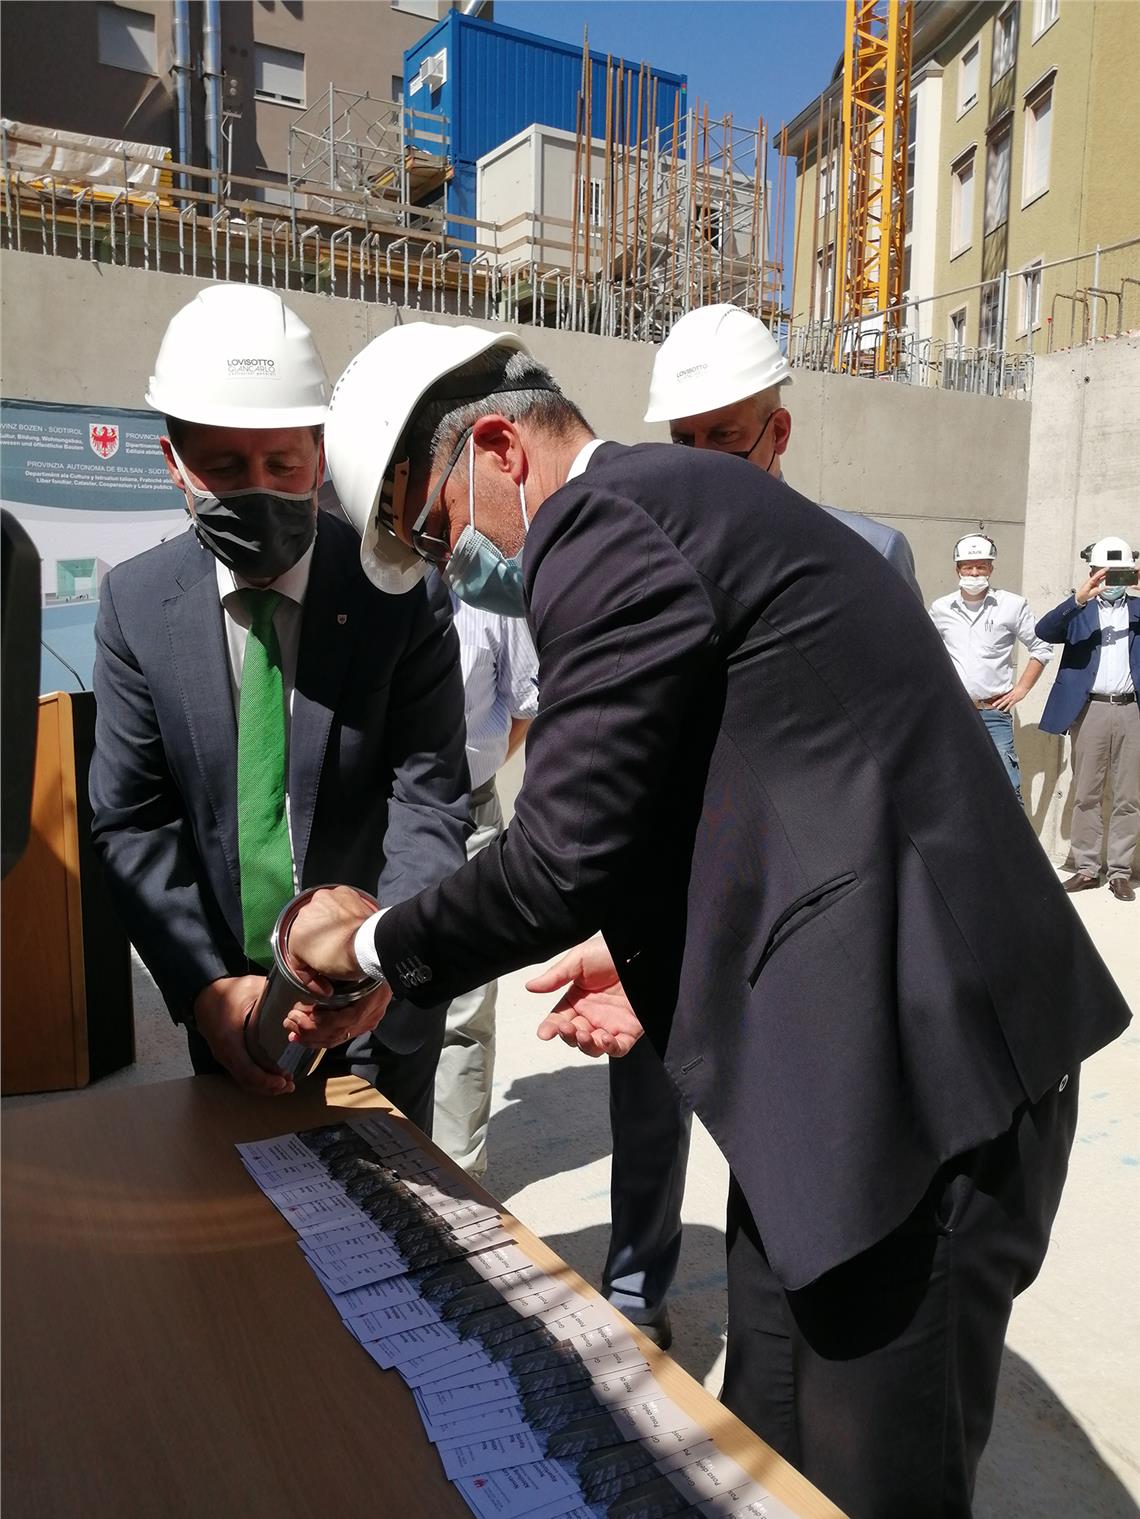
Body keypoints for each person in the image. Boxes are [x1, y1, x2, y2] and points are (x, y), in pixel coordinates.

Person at [283, 321, 1128, 1517]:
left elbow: (557, 855)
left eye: (435, 529)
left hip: (923, 1086)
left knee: (868, 1485)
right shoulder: (673, 510)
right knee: (767, 1457)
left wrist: (366, 944)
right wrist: (648, 956)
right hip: (835, 1092)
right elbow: (765, 786)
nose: (450, 563)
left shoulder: (601, 522)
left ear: (498, 447)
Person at [597, 305, 924, 1351]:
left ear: (778, 432)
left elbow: (899, 742)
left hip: (801, 894)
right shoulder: (635, 565)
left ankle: (788, 1313)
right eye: (682, 440)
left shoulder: (866, 553)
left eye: (724, 439)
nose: (700, 463)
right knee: (648, 1097)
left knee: (790, 1115)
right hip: (673, 881)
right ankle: (636, 1286)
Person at [88, 286, 471, 1129]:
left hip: (375, 1013)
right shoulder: (135, 608)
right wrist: (205, 988)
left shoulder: (399, 594)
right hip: (232, 1015)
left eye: (284, 465)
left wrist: (385, 960)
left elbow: (431, 797)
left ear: (320, 451)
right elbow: (133, 820)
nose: (259, 490)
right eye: (226, 469)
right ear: (174, 463)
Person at [433, 591, 538, 1178]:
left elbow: (523, 702)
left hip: (467, 811)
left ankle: (458, 1176)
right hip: (374, 816)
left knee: (465, 1005)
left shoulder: (488, 591)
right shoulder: (358, 571)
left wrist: (479, 769)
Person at [1036, 535, 1140, 902]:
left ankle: (1120, 872)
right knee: (1086, 793)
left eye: (1119, 575)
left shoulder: (1138, 609)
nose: (1111, 582)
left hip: (1132, 710)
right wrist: (1080, 598)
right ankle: (1086, 867)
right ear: (1093, 572)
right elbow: (1044, 631)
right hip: (1090, 709)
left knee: (1129, 796)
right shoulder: (1080, 610)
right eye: (1104, 574)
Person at [929, 531, 1052, 798]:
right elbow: (926, 653)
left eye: (981, 566)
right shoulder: (940, 609)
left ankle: (1012, 829)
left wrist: (1021, 689)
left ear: (991, 568)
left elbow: (1041, 647)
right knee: (954, 787)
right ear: (957, 569)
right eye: (968, 567)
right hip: (955, 712)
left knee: (1007, 789)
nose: (974, 573)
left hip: (994, 712)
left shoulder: (1012, 605)